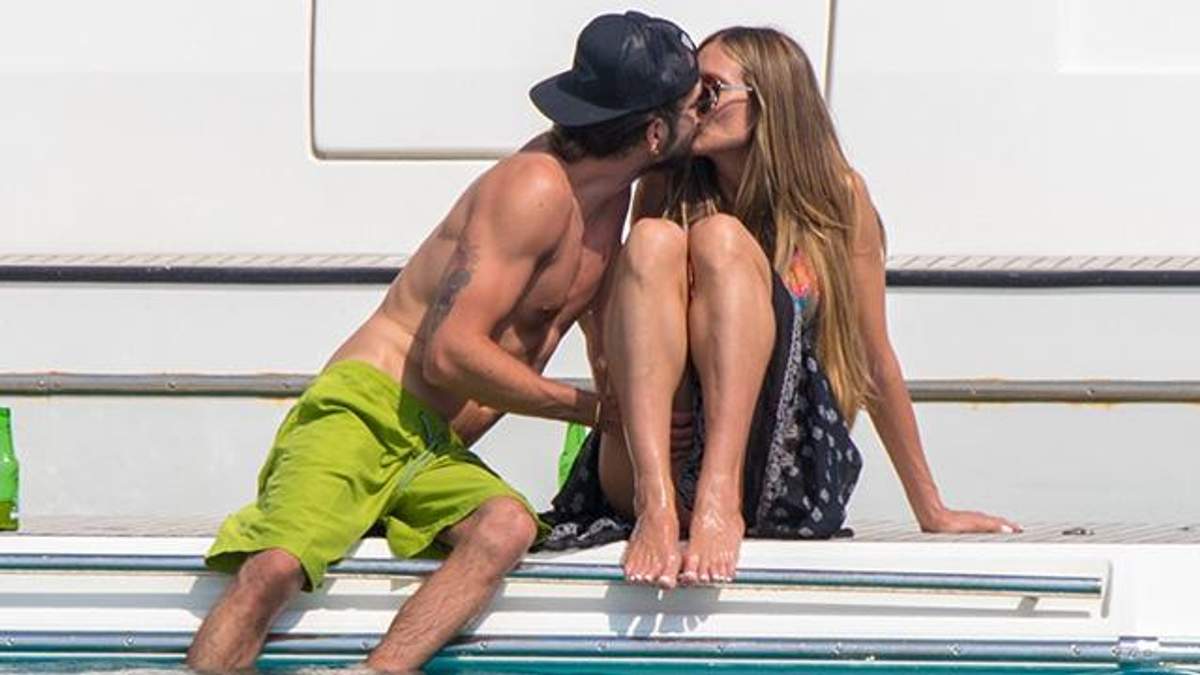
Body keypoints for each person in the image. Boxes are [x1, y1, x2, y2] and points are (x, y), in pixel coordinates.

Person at [186, 12, 705, 671]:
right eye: (699, 104)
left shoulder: (614, 204)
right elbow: (449, 352)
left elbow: (607, 343)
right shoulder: (535, 188)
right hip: (367, 411)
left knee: (507, 526)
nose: (705, 114)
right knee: (276, 567)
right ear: (655, 132)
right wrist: (592, 409)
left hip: (434, 446)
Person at [541, 26, 1021, 590]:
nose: (691, 107)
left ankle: (718, 495)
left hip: (770, 463)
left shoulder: (837, 197)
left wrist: (930, 507)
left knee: (719, 238)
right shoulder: (665, 186)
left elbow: (872, 356)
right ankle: (658, 505)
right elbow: (621, 323)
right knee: (651, 241)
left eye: (709, 91)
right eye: (689, 92)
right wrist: (612, 404)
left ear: (768, 100)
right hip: (660, 454)